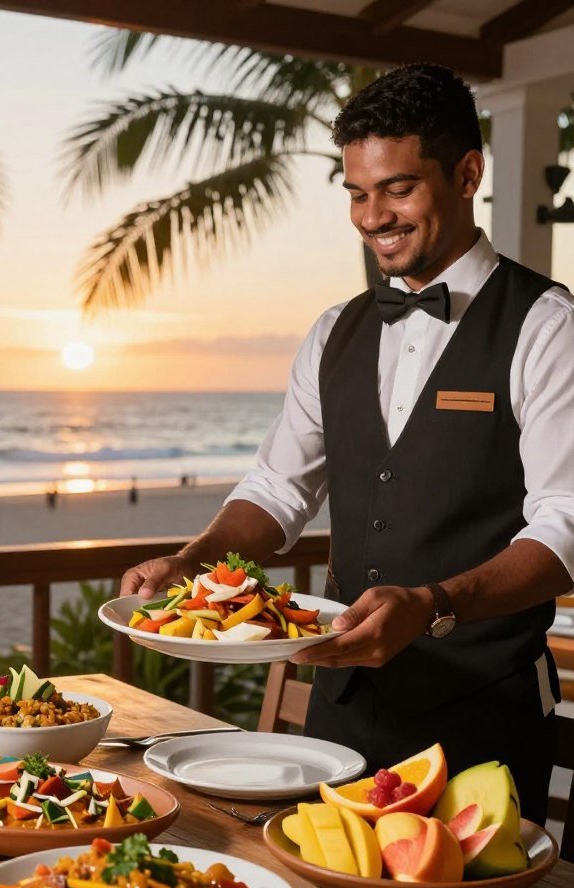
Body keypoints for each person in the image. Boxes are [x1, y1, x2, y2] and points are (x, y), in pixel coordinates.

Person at [120, 64, 574, 825]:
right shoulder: (335, 331)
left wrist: (432, 604)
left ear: (467, 174)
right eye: (357, 194)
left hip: (479, 715)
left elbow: (566, 523)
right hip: (341, 713)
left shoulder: (547, 325)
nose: (373, 217)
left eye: (397, 188)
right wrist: (194, 562)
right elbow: (278, 489)